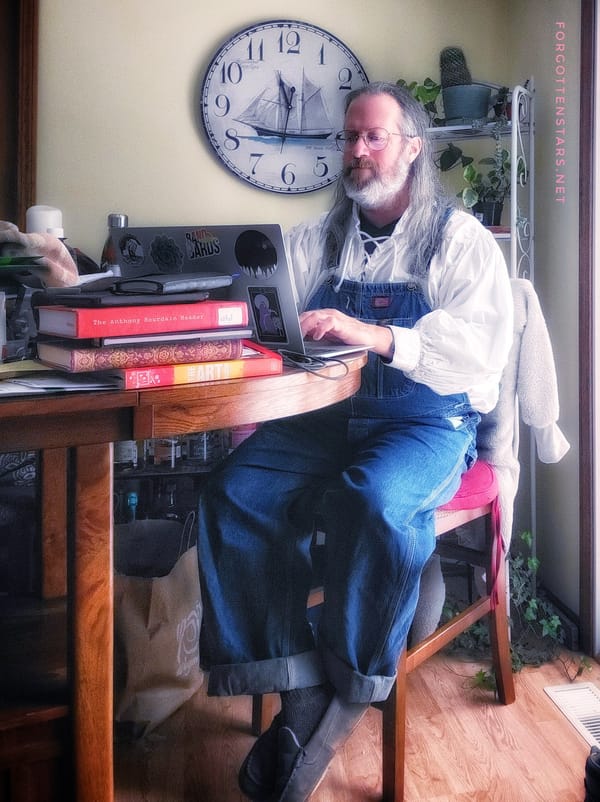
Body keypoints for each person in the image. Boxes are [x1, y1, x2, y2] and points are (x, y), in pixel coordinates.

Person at [197, 81, 513, 801]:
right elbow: (255, 300)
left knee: (370, 503)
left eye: (373, 137)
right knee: (230, 493)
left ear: (410, 148)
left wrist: (376, 335)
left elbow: (480, 353)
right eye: (348, 137)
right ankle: (304, 688)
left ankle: (345, 684)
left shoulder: (457, 240)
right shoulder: (319, 236)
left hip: (426, 420)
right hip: (325, 419)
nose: (357, 151)